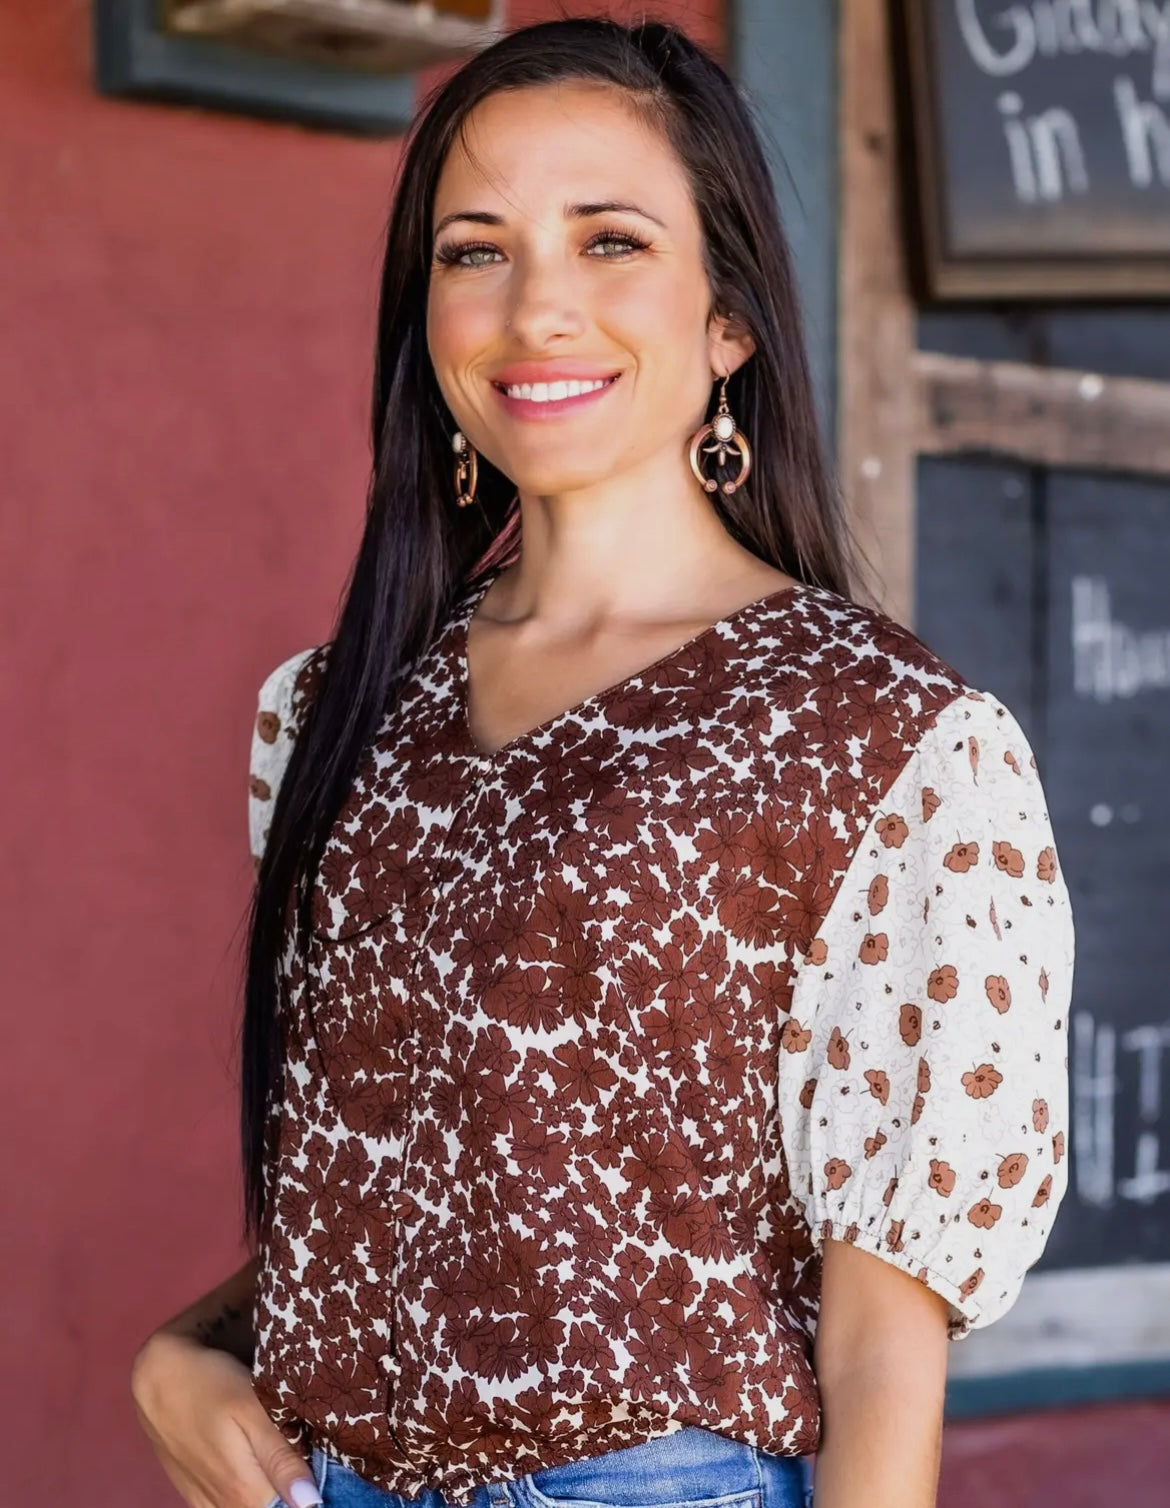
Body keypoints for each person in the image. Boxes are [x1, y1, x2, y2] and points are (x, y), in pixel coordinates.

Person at [130, 18, 1075, 1508]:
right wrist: (186, 1352)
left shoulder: (872, 734)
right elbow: (438, 1165)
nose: (535, 311)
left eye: (611, 241)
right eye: (473, 251)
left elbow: (883, 1337)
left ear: (729, 320)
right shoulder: (340, 705)